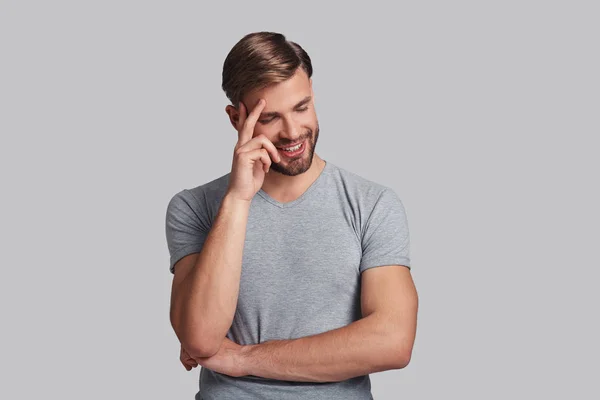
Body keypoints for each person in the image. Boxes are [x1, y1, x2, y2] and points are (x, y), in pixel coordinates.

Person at [165, 31, 418, 400]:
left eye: (301, 107)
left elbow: (392, 341)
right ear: (237, 119)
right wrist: (238, 199)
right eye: (270, 118)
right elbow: (201, 338)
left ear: (313, 93)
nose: (293, 131)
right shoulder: (193, 208)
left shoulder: (373, 203)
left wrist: (243, 358)